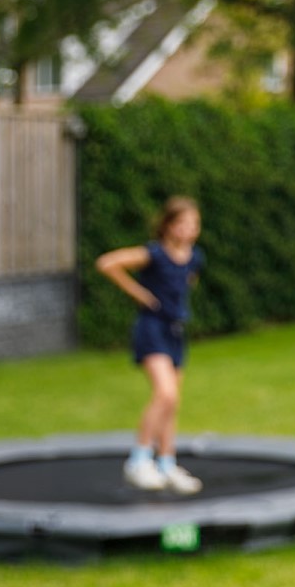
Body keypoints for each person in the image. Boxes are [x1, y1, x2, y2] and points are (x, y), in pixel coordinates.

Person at [95, 196, 206, 495]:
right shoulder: (153, 254)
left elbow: (187, 283)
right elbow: (107, 263)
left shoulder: (195, 257)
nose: (188, 230)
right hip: (151, 329)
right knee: (165, 393)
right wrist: (140, 293)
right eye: (182, 223)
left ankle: (167, 464)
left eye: (193, 224)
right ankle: (139, 460)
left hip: (175, 332)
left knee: (172, 403)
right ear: (168, 225)